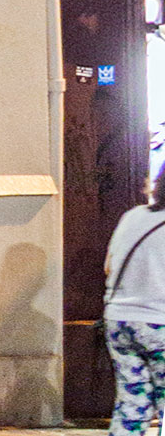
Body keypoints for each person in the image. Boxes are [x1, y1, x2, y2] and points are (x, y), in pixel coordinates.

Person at [104, 164, 165, 435]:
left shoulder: (133, 216)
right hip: (159, 322)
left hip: (119, 320)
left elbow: (108, 267)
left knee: (132, 402)